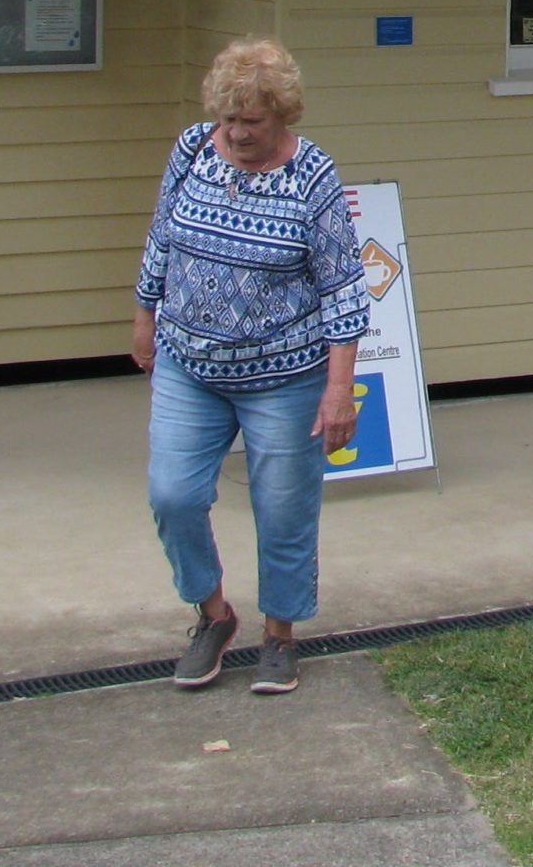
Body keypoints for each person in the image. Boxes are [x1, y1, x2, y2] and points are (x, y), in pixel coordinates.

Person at [134, 38, 367, 695]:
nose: (236, 133)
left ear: (282, 117)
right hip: (189, 365)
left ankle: (280, 636)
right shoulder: (189, 152)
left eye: (252, 123)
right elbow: (162, 238)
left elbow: (344, 289)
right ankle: (212, 615)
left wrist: (338, 391)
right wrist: (144, 316)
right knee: (172, 494)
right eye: (228, 120)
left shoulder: (312, 176)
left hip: (284, 377)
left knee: (284, 510)